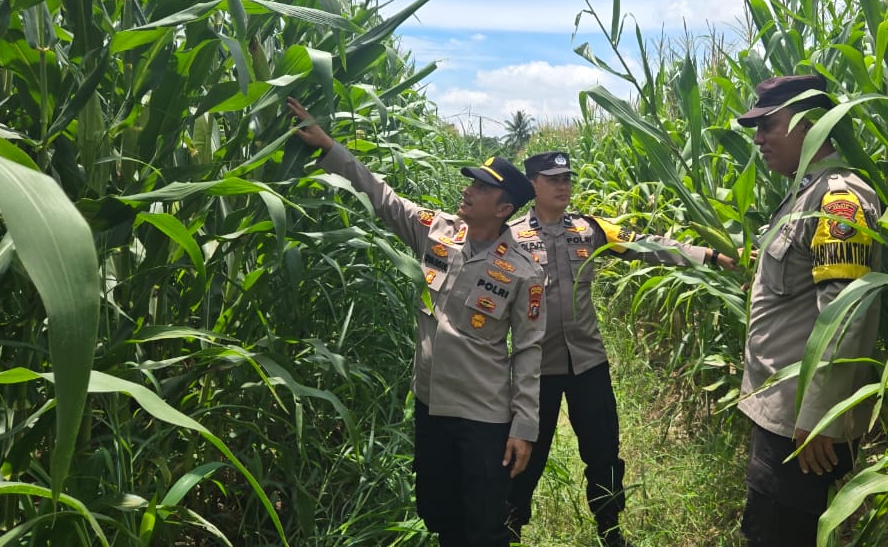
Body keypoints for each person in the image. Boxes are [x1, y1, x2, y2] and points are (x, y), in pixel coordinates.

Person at [287, 97, 545, 547]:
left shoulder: (524, 272)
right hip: (431, 408)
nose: (468, 190)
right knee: (441, 515)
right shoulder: (439, 233)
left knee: (484, 525)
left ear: (504, 209)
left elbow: (528, 351)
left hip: (483, 419)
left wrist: (524, 428)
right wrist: (329, 145)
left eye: (482, 188)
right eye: (472, 183)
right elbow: (383, 197)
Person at [505, 150, 736, 546]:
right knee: (525, 457)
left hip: (588, 364)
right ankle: (507, 529)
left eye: (567, 178)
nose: (563, 186)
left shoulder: (590, 228)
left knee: (604, 454)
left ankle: (610, 530)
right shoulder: (510, 236)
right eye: (553, 179)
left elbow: (649, 245)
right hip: (535, 371)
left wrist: (709, 256)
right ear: (532, 186)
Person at [734, 74, 881, 547]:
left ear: (809, 124)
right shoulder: (805, 193)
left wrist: (822, 416)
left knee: (777, 535)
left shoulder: (837, 200)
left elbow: (844, 315)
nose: (757, 140)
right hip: (785, 412)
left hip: (802, 423)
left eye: (767, 126)